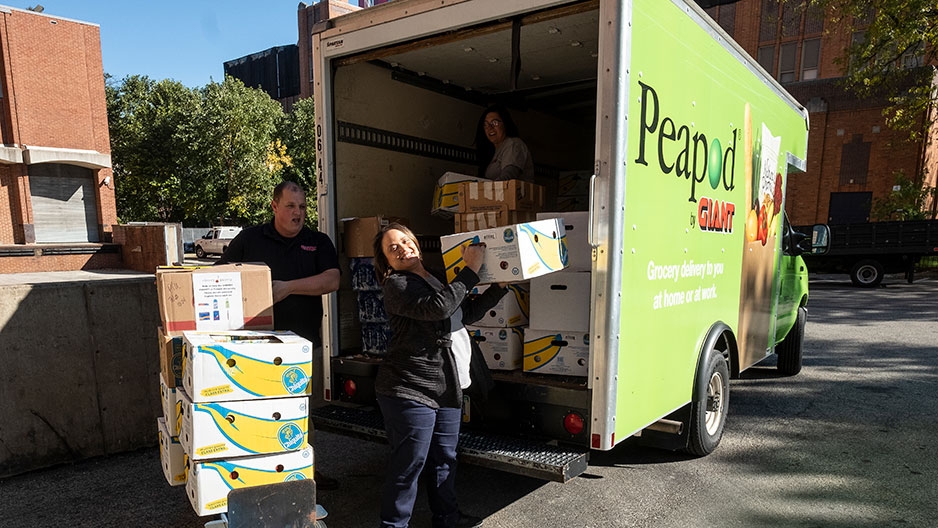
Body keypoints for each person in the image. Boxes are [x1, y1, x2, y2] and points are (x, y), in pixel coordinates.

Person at [372, 223, 507, 528]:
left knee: (445, 459)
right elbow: (439, 308)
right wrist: (470, 270)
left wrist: (500, 288)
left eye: (407, 241)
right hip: (408, 388)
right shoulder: (396, 285)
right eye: (393, 248)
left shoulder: (434, 277)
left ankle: (447, 519)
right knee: (410, 464)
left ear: (417, 244)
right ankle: (393, 526)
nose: (403, 248)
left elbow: (462, 313)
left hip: (446, 386)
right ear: (386, 262)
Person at [217, 180, 341, 490]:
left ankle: (306, 473)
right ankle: (258, 475)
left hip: (300, 346)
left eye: (302, 207)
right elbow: (219, 276)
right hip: (253, 346)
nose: (298, 213)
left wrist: (287, 287)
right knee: (255, 413)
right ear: (274, 206)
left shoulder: (318, 241)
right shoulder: (250, 239)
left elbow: (332, 280)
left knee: (299, 414)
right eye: (290, 206)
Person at [474, 104, 535, 182]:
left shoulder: (513, 144)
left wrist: (487, 188)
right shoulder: (493, 151)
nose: (489, 128)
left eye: (495, 123)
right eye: (486, 124)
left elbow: (508, 176)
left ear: (505, 123)